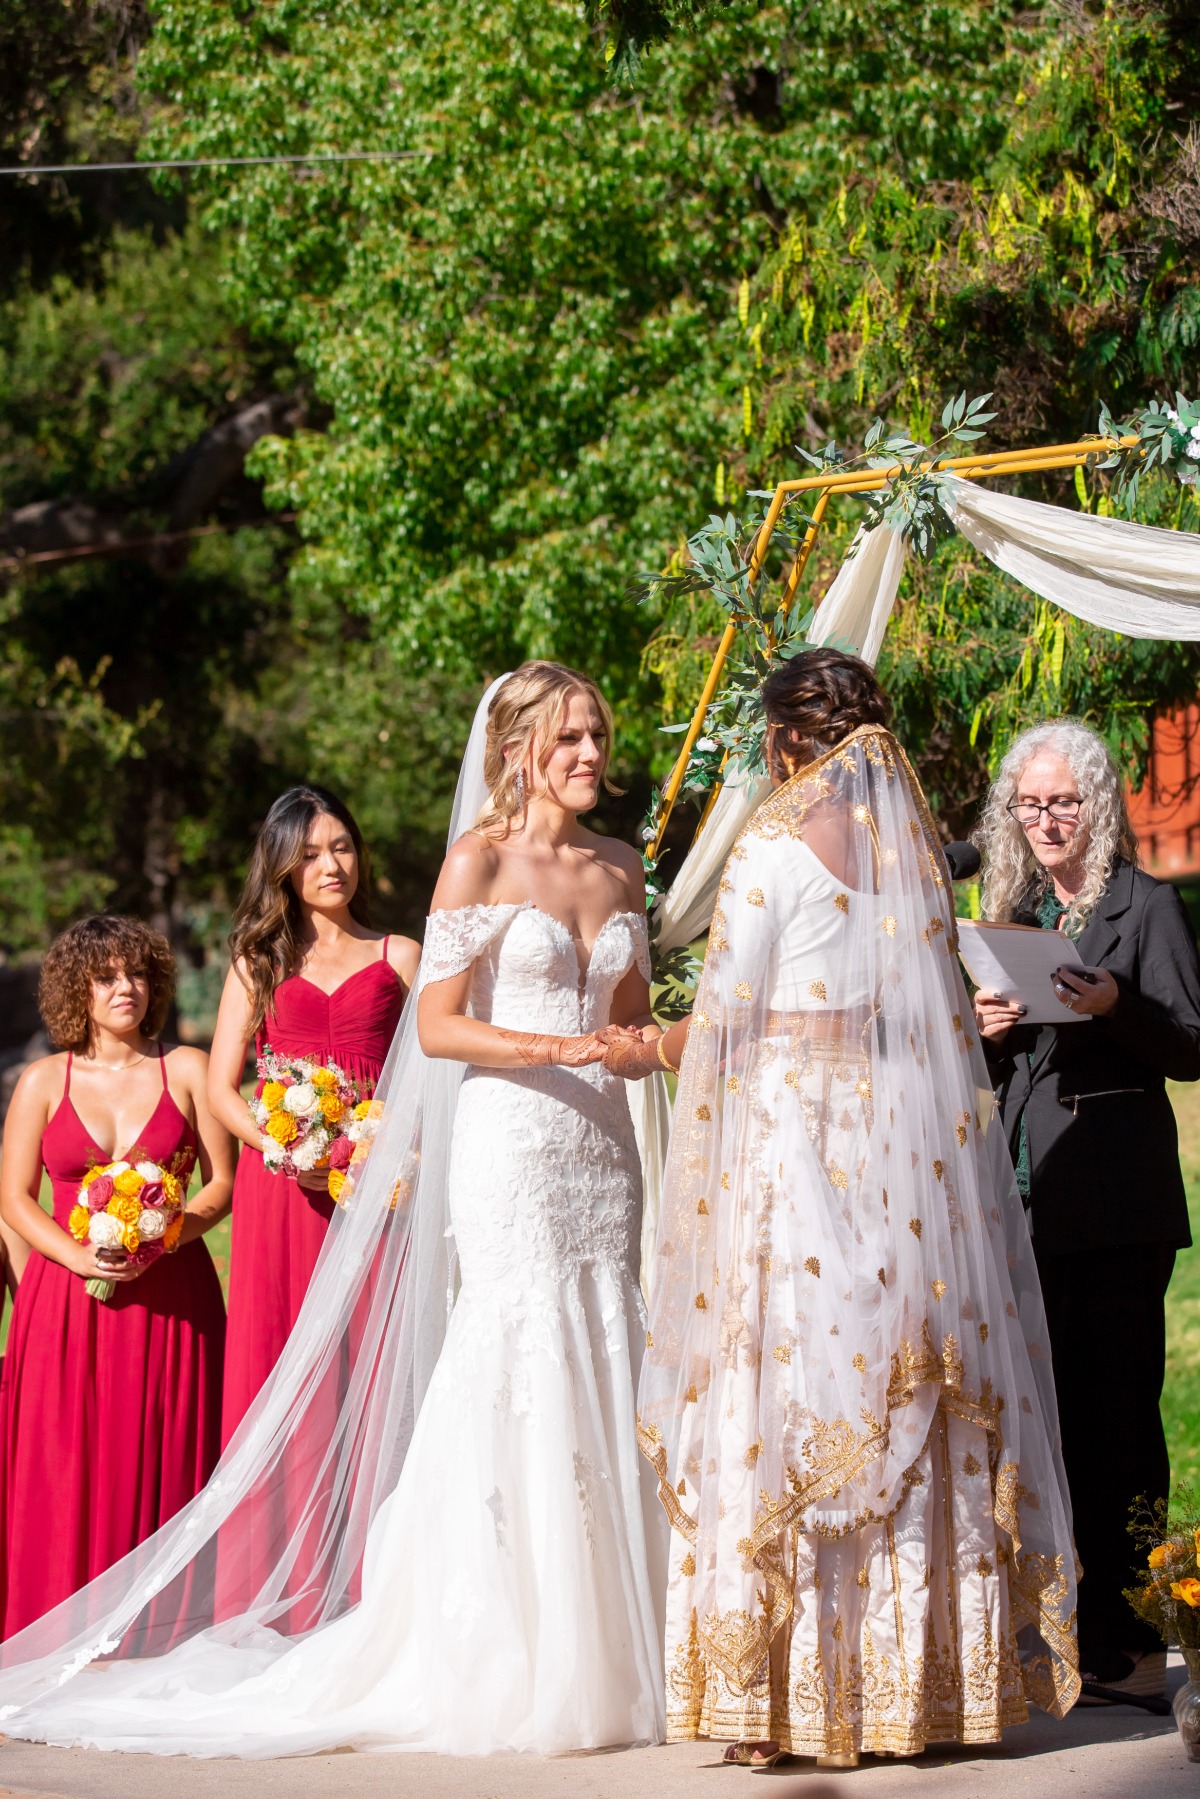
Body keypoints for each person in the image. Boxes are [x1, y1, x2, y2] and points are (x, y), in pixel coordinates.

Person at [0, 663, 666, 1756]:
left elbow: (629, 1018)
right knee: (518, 1354)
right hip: (507, 1144)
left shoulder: (623, 863)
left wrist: (685, 1041)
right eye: (571, 738)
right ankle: (510, 1647)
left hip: (599, 1147)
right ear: (516, 750)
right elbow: (441, 1031)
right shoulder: (476, 860)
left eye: (599, 735)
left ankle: (615, 1638)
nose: (593, 754)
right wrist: (554, 1049)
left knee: (601, 1346)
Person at [626, 648, 1079, 1765]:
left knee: (780, 1378)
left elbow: (728, 1014)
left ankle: (782, 1695)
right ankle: (923, 1683)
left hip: (790, 1132)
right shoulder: (912, 848)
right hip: (898, 1135)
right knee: (902, 1364)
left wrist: (651, 1044)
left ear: (786, 742)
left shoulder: (775, 842)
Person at [973, 718, 1200, 1701]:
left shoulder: (1143, 904)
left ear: (1098, 802)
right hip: (1028, 1195)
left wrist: (1119, 1007)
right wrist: (980, 1027)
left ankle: (1140, 1640)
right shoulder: (1012, 908)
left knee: (1119, 1423)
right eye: (1030, 804)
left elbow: (1193, 1041)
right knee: (1048, 1423)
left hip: (1115, 1199)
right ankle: (1065, 1629)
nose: (1047, 819)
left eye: (1063, 801)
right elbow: (1002, 1065)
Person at [0, 915, 233, 1640]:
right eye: (105, 977)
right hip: (65, 1305)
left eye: (134, 973)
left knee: (163, 1460)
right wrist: (73, 1258)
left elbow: (221, 1185)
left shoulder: (187, 1069)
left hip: (172, 1299)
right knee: (65, 1467)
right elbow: (12, 1197)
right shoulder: (43, 1079)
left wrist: (166, 1233)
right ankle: (54, 1631)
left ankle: (156, 1633)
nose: (124, 988)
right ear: (79, 988)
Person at [208, 786, 419, 1442]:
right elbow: (221, 1087)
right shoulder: (257, 960)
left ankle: (371, 1539)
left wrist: (393, 1152)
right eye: (310, 855)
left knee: (376, 1361)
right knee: (284, 1356)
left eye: (342, 846)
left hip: (377, 1187)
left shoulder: (401, 955)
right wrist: (287, 1153)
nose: (333, 865)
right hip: (283, 1194)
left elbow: (434, 1081)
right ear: (282, 869)